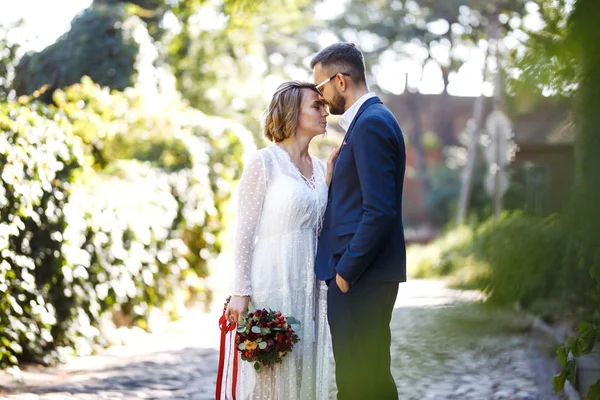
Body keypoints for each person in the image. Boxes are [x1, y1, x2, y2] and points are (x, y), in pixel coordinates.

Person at [225, 81, 339, 399]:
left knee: (303, 369)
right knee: (270, 373)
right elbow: (244, 232)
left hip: (310, 285)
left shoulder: (320, 168)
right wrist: (240, 291)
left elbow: (321, 227)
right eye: (316, 106)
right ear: (292, 112)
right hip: (271, 282)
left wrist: (328, 183)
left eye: (324, 105)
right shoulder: (264, 162)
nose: (325, 111)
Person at [312, 42, 406, 399]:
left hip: (362, 277)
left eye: (320, 88)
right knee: (363, 378)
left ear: (340, 80)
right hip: (363, 276)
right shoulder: (369, 121)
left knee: (361, 380)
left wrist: (345, 275)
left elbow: (379, 210)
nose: (321, 99)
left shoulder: (370, 124)